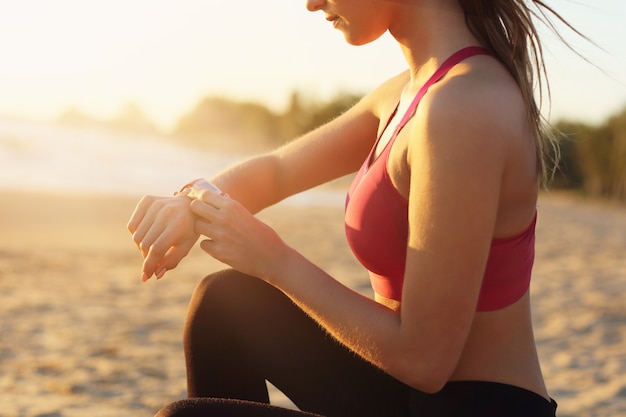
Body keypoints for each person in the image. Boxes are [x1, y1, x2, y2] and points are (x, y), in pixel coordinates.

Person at [127, 0, 577, 415]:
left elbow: (425, 360)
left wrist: (273, 259)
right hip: (402, 393)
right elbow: (280, 169)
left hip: (475, 404)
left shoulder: (464, 106)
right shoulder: (410, 92)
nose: (311, 2)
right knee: (224, 304)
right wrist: (190, 202)